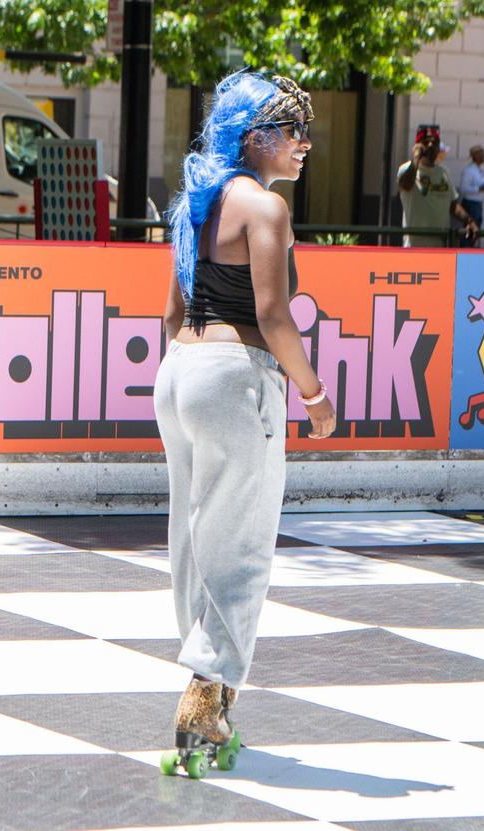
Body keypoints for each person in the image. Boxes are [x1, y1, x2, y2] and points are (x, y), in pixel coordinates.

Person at [155, 70, 336, 778]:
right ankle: (205, 693)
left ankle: (212, 687)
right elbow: (272, 314)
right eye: (292, 131)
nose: (304, 145)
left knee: (193, 539)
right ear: (254, 137)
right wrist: (314, 393)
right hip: (234, 379)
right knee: (243, 544)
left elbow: (170, 313)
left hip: (180, 374)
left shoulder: (195, 203)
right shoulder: (264, 208)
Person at [397, 125, 479, 247]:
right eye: (425, 142)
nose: (430, 146)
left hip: (440, 245)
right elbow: (406, 185)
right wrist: (416, 158)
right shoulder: (407, 169)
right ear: (418, 146)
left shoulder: (443, 172)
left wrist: (469, 221)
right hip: (415, 245)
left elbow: (452, 204)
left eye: (434, 143)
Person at [459, 144, 484, 247]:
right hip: (470, 204)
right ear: (475, 156)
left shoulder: (479, 170)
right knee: (470, 230)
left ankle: (471, 248)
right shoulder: (469, 171)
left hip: (478, 203)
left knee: (476, 231)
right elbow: (463, 188)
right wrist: (479, 189)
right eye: (481, 154)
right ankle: (465, 250)